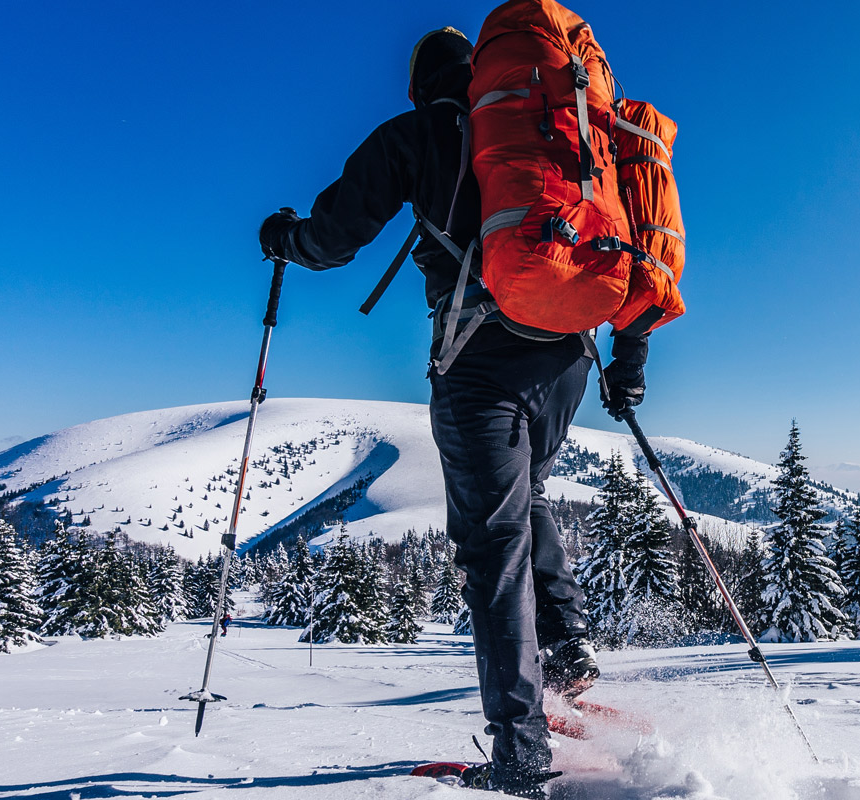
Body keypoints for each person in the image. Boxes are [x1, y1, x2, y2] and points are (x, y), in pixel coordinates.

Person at [258, 26, 645, 799]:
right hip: (569, 354)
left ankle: (520, 752)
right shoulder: (558, 137)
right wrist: (628, 365)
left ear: (418, 85)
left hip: (479, 360)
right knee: (524, 498)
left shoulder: (418, 133)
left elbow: (334, 240)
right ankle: (566, 661)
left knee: (491, 545)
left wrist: (283, 238)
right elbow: (629, 239)